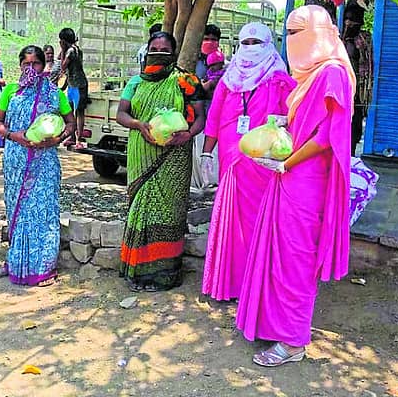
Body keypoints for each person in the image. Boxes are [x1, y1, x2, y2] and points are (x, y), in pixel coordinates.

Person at [235, 5, 355, 367]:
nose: (292, 40)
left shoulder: (332, 74)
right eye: (288, 31)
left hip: (306, 181)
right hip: (288, 175)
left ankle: (293, 341)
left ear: (319, 32)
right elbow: (303, 126)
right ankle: (275, 325)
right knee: (278, 254)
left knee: (296, 260)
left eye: (298, 31)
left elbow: (324, 138)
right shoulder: (311, 76)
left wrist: (286, 162)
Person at [200, 22, 295, 301]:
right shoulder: (229, 79)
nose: (251, 48)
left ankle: (256, 287)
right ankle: (228, 285)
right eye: (246, 42)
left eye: (257, 42)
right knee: (231, 224)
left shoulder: (279, 78)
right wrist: (206, 154)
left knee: (259, 222)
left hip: (262, 164)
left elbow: (292, 117)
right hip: (231, 161)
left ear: (269, 45)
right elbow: (214, 118)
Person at [115, 31, 204, 291]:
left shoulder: (186, 81)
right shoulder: (135, 82)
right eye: (154, 47)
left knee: (168, 211)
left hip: (174, 157)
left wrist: (187, 134)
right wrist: (138, 125)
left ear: (173, 53)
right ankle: (137, 272)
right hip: (141, 153)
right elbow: (121, 114)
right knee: (139, 210)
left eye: (165, 49)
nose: (159, 52)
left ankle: (164, 274)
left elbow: (200, 118)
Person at [0, 45, 75, 286]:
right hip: (16, 160)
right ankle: (15, 262)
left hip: (45, 161)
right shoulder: (10, 92)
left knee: (43, 212)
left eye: (35, 64)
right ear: (19, 66)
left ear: (43, 66)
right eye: (26, 64)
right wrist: (14, 135)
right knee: (17, 213)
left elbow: (70, 123)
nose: (31, 69)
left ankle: (44, 268)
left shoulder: (54, 93)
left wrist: (58, 139)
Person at [191, 23, 225, 194]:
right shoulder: (193, 61)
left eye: (214, 39)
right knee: (197, 147)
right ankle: (198, 182)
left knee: (213, 147)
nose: (210, 42)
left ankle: (211, 182)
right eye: (206, 39)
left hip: (215, 112)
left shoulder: (223, 63)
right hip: (197, 112)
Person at [341, 1, 373, 153]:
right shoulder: (338, 38)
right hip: (340, 89)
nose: (349, 22)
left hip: (358, 91)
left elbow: (367, 62)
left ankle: (352, 154)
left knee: (355, 124)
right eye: (346, 19)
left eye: (352, 20)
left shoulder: (364, 39)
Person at [59, 27, 88, 148]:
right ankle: (73, 137)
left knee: (78, 112)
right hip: (72, 84)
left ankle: (79, 139)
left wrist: (62, 50)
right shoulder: (75, 49)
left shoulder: (71, 51)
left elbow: (63, 66)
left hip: (78, 85)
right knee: (71, 112)